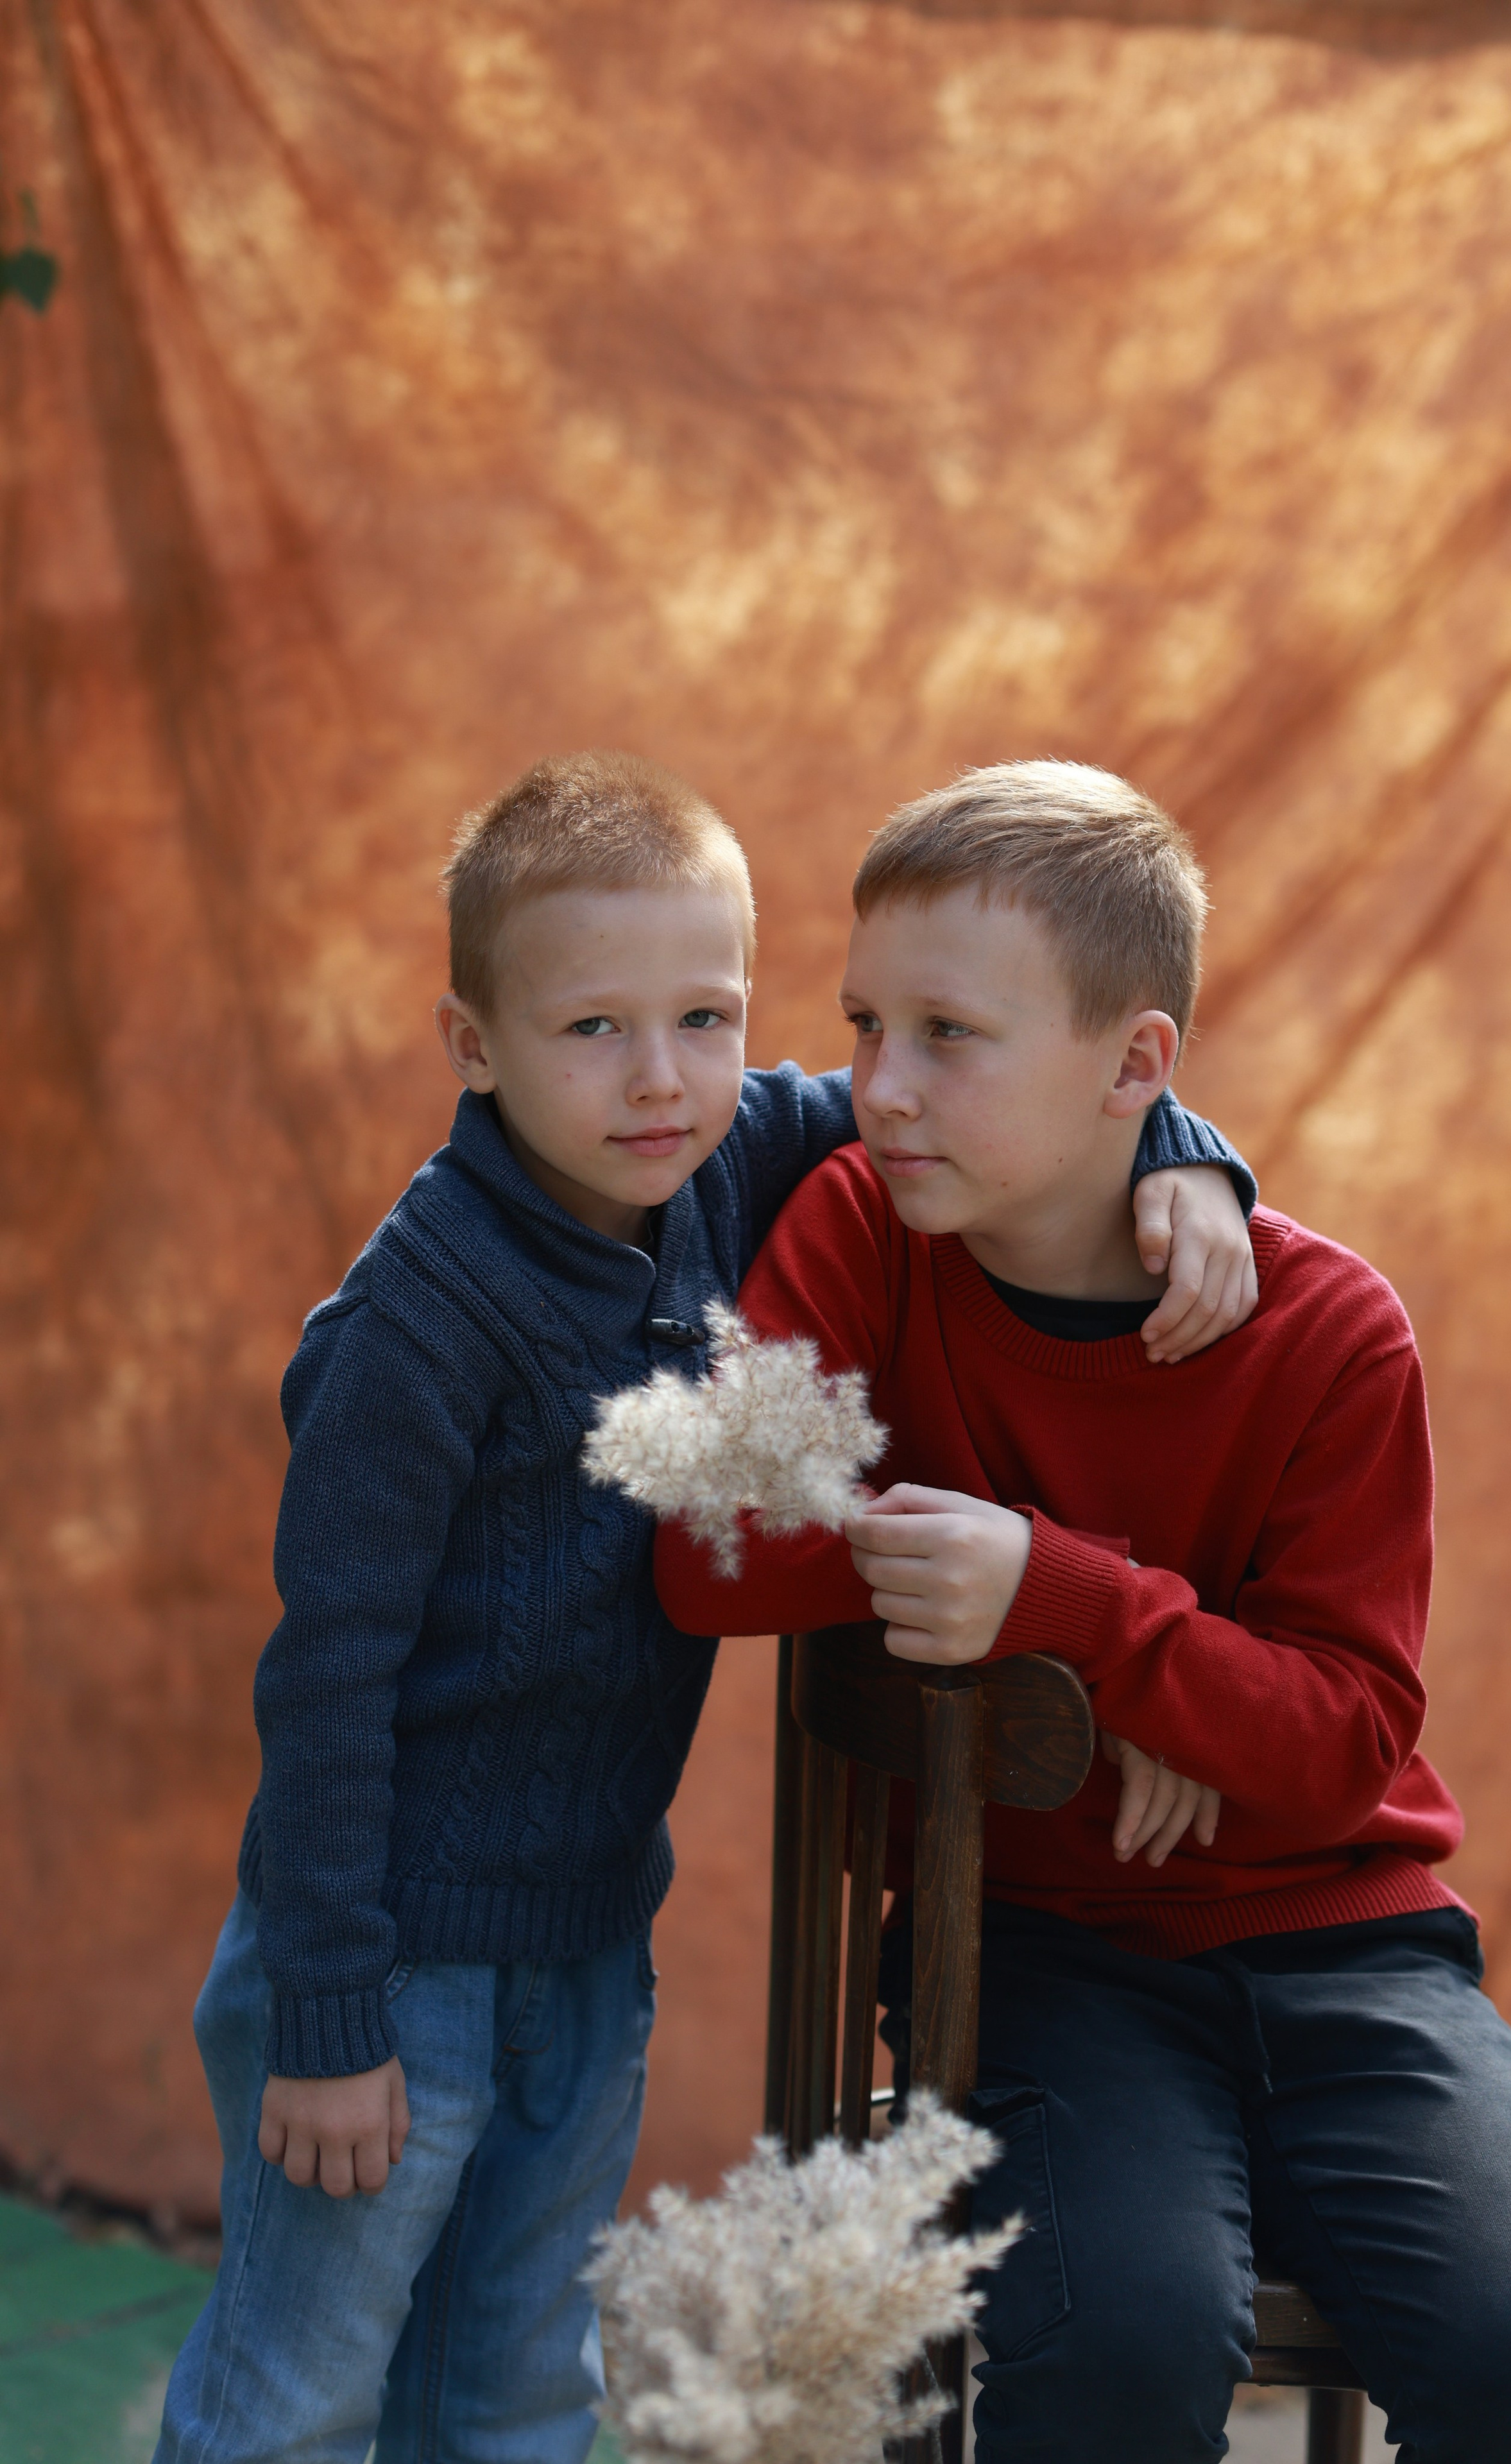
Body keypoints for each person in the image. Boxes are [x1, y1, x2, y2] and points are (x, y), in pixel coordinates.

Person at [152, 749, 1257, 2464]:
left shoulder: (728, 1155)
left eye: (709, 1017)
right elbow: (328, 1689)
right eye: (592, 1028)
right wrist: (330, 2022)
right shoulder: (417, 1328)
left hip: (589, 1940)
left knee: (517, 2385)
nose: (661, 1080)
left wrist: (1186, 1156)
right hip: (388, 1962)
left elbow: (965, 1103)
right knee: (299, 2393)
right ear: (477, 1047)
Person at [654, 758, 1511, 2464]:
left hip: (1358, 1959)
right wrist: (1152, 1676)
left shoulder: (1334, 1335)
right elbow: (711, 1548)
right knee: (1117, 2352)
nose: (879, 1087)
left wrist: (1070, 1608)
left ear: (1138, 1069)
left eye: (949, 1035)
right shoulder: (863, 1233)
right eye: (863, 1022)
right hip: (1050, 1962)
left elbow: (1332, 1754)